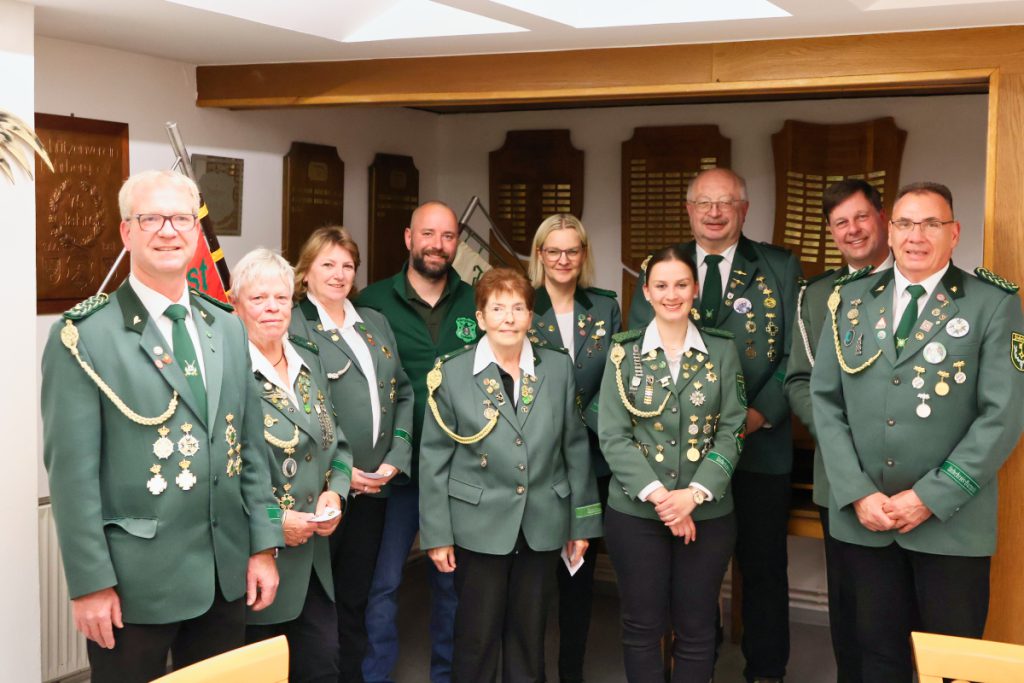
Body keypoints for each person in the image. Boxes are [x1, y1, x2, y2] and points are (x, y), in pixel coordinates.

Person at [40, 170, 282, 682]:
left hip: (223, 574)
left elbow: (250, 449)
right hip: (134, 587)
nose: (168, 231)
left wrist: (263, 546)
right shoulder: (85, 336)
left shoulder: (227, 326)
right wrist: (89, 583)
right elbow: (72, 478)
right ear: (126, 232)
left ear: (197, 232)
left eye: (181, 219)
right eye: (151, 219)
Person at [811, 181, 1024, 681]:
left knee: (951, 666)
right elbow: (825, 401)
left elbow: (1003, 415)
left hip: (950, 524)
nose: (916, 236)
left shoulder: (991, 303)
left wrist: (929, 496)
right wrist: (857, 492)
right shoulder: (850, 300)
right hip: (867, 521)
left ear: (955, 233)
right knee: (875, 659)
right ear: (890, 231)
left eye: (931, 224)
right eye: (906, 223)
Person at [628, 168, 802, 683]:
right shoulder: (662, 267)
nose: (714, 212)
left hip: (759, 447)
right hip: (678, 457)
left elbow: (796, 354)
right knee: (686, 574)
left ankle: (766, 671)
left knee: (763, 566)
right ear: (689, 209)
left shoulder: (778, 266)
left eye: (726, 202)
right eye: (704, 202)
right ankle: (686, 667)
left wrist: (758, 413)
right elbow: (638, 352)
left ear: (744, 209)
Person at [419, 267, 602, 683]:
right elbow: (433, 460)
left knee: (529, 638)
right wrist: (437, 534)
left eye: (518, 308)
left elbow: (574, 447)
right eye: (498, 308)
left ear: (530, 317)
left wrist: (583, 522)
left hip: (543, 520)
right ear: (480, 318)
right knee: (476, 638)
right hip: (478, 522)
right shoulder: (451, 373)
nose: (508, 318)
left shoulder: (557, 368)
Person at [598, 246, 745, 682]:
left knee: (697, 629)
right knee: (642, 627)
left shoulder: (722, 350)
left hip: (707, 514)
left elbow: (733, 429)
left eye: (681, 284)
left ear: (695, 289)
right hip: (637, 513)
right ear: (646, 292)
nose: (672, 294)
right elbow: (613, 435)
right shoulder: (624, 353)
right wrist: (664, 499)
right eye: (661, 285)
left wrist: (694, 495)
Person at [357, 201, 479, 683]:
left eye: (447, 236)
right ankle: (375, 676)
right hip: (397, 470)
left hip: (460, 468)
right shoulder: (371, 302)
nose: (437, 245)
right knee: (383, 583)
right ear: (409, 238)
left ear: (457, 243)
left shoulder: (477, 300)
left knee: (452, 586)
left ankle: (447, 676)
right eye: (428, 234)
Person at [289, 226, 414, 683]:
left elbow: (404, 391)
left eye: (347, 265)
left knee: (356, 597)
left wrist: (397, 454)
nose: (339, 274)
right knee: (315, 604)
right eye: (327, 264)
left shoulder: (373, 321)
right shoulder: (294, 324)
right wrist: (342, 471)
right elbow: (302, 406)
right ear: (306, 272)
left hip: (376, 488)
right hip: (323, 491)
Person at [783, 178, 891, 683]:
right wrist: (839, 440)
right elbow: (799, 381)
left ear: (882, 217)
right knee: (850, 609)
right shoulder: (818, 294)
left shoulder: (918, 283)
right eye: (840, 223)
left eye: (861, 217)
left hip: (917, 480)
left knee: (907, 611)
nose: (853, 230)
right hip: (841, 478)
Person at [233, 248, 353, 683]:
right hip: (258, 564)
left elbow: (338, 444)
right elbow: (226, 474)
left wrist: (335, 493)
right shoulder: (230, 370)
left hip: (314, 565)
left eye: (281, 298)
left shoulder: (307, 359)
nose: (272, 308)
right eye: (258, 298)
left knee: (322, 666)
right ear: (236, 305)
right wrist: (275, 521)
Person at [526, 213, 620, 683]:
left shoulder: (604, 305)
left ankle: (571, 672)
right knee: (533, 580)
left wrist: (584, 422)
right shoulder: (522, 304)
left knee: (579, 576)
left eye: (572, 250)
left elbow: (618, 376)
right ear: (539, 255)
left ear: (583, 254)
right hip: (537, 459)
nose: (563, 259)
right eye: (553, 251)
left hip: (593, 459)